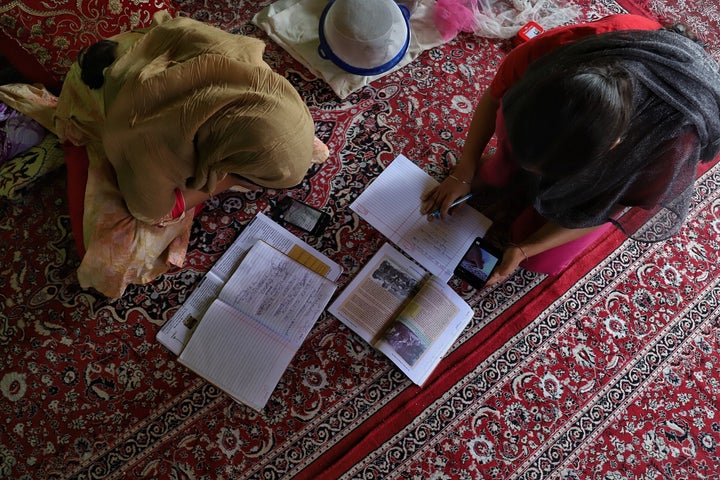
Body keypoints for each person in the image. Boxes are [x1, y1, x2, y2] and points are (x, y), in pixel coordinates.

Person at [420, 14, 720, 287]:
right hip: (603, 75)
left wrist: (526, 248)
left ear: (612, 150)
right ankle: (508, 163)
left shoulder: (670, 144)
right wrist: (464, 171)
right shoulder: (559, 51)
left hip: (659, 127)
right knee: (496, 174)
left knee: (540, 260)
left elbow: (612, 206)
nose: (530, 174)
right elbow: (493, 95)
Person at [47, 11, 329, 297]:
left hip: (145, 56)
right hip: (112, 96)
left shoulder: (247, 74)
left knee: (301, 150)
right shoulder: (145, 139)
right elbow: (152, 210)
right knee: (112, 262)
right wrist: (229, 180)